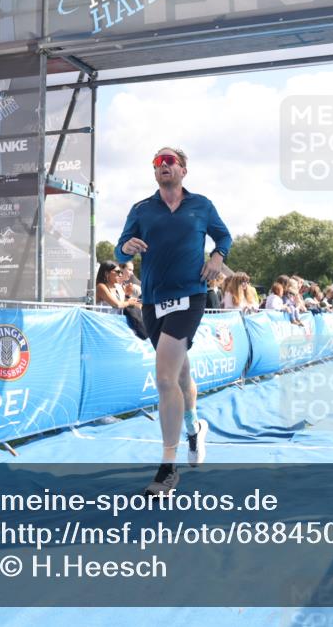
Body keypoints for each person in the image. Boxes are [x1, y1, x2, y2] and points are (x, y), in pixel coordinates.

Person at [116, 146, 232, 496]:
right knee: (180, 373)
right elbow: (119, 248)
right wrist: (127, 248)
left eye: (170, 162)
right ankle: (194, 427)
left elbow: (223, 236)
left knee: (165, 377)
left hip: (190, 296)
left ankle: (168, 466)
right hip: (152, 300)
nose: (163, 166)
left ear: (183, 170)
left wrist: (217, 256)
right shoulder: (141, 209)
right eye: (157, 163)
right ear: (154, 173)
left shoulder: (202, 205)